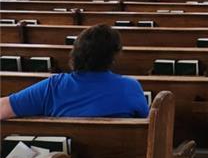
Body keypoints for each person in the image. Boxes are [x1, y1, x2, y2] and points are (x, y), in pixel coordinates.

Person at [0, 24, 148, 120]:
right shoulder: (130, 87)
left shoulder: (53, 87)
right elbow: (147, 127)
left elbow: (3, 108)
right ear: (113, 57)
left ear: (76, 53)